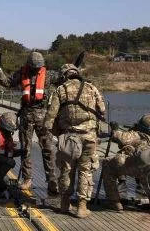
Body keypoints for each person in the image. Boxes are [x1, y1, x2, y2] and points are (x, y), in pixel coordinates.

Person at [43, 63, 105, 217]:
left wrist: (57, 133)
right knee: (85, 170)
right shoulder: (91, 88)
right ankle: (82, 207)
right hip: (89, 137)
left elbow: (49, 119)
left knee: (66, 170)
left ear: (63, 76)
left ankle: (65, 203)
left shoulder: (60, 90)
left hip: (69, 137)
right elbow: (102, 110)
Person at [0, 51, 60, 194]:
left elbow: (63, 77)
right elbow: (7, 82)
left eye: (39, 67)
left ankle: (52, 181)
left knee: (48, 149)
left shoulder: (48, 75)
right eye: (34, 67)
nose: (36, 69)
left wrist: (76, 68)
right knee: (26, 149)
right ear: (29, 65)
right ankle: (27, 179)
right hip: (26, 115)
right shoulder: (21, 73)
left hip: (43, 117)